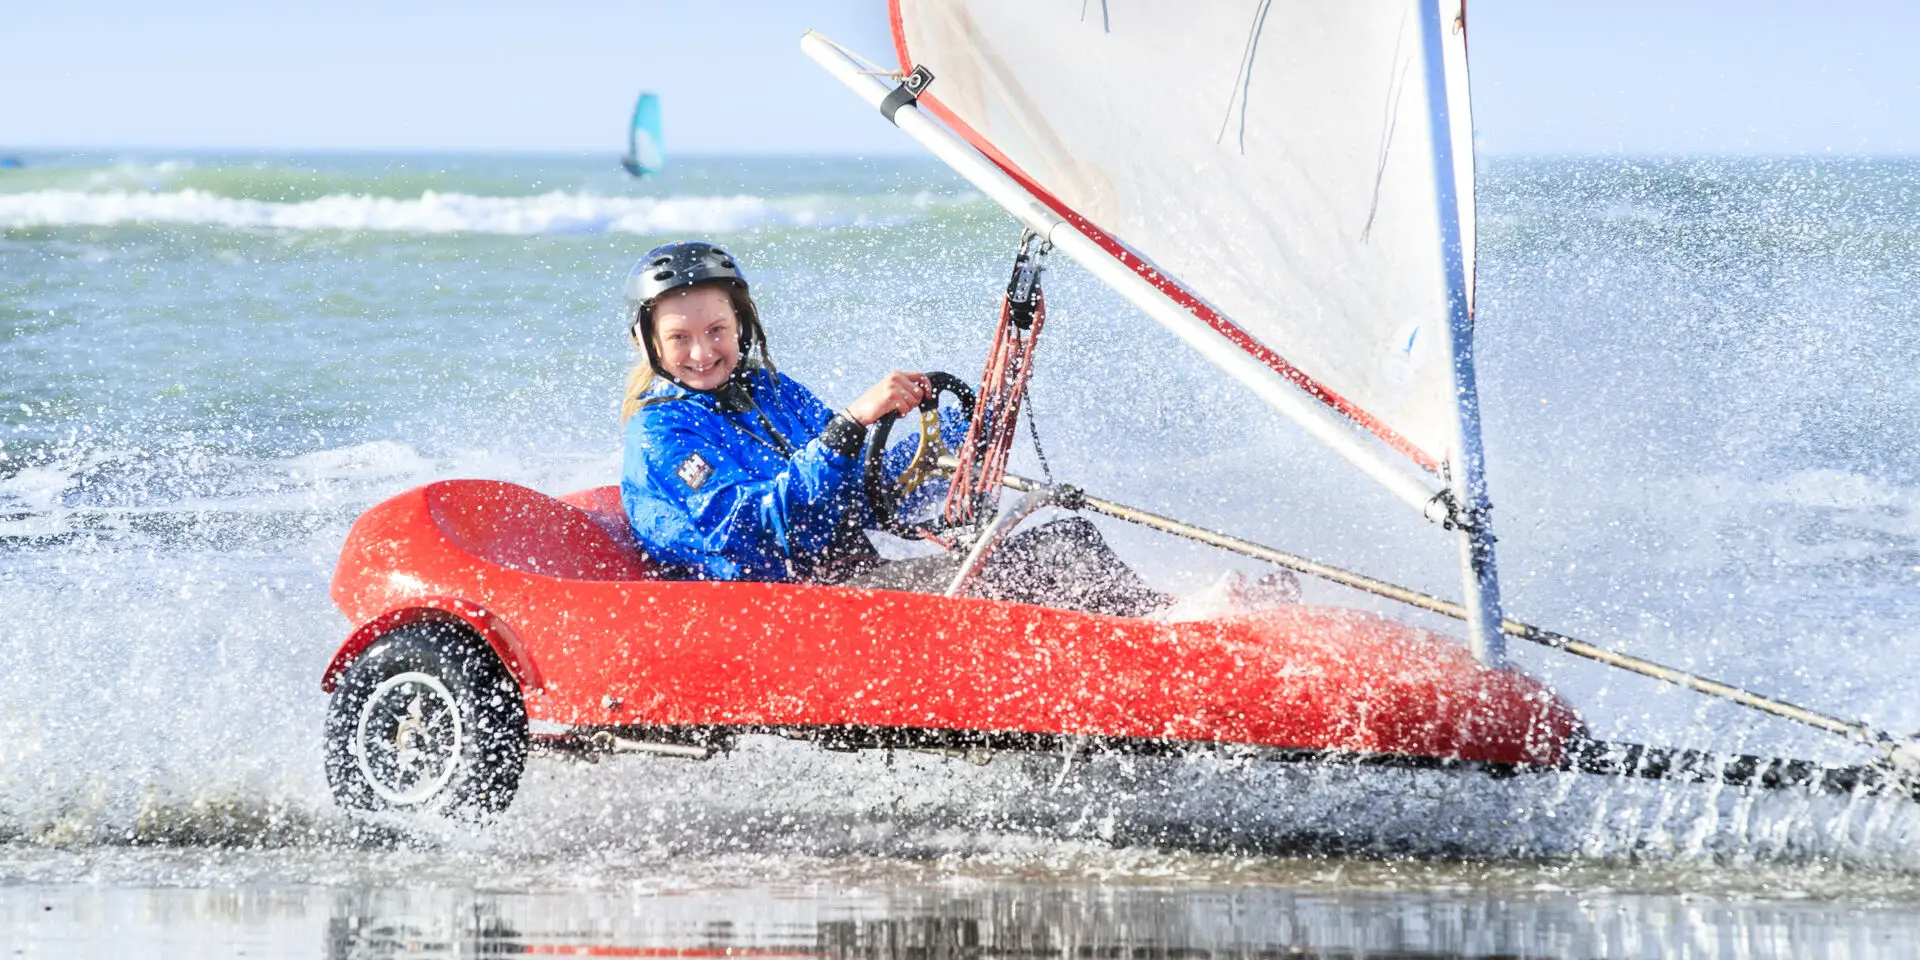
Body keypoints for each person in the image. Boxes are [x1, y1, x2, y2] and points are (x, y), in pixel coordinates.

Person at [619, 240, 1166, 617]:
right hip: (782, 614)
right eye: (680, 338)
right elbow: (756, 528)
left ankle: (1172, 638)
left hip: (843, 585)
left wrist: (962, 434)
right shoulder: (660, 434)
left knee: (1068, 540)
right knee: (1052, 560)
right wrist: (851, 423)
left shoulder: (772, 391)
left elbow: (858, 490)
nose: (702, 352)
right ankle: (1176, 656)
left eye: (717, 330)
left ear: (742, 324)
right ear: (648, 342)